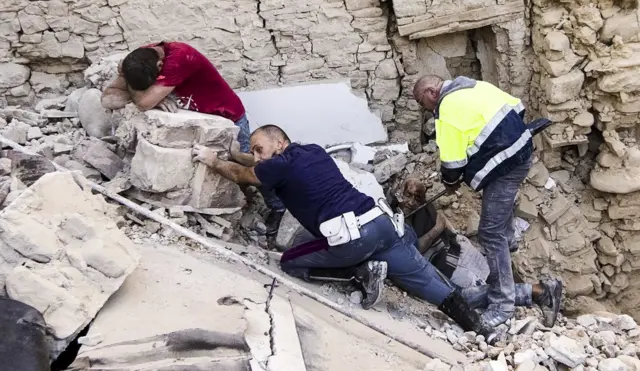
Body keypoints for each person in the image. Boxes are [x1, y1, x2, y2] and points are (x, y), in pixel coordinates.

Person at [191, 124, 493, 335]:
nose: (256, 156)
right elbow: (256, 165)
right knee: (426, 281)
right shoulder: (312, 151)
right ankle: (479, 328)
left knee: (290, 261)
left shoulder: (276, 165)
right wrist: (237, 153)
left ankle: (359, 273)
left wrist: (214, 160)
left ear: (280, 143)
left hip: (353, 238)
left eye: (259, 149)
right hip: (382, 223)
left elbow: (244, 174)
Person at [413, 75, 563, 329]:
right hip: (522, 151)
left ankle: (502, 304)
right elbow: (517, 107)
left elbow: (452, 164)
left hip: (505, 166)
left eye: (421, 102)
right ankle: (510, 247)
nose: (424, 108)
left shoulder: (446, 109)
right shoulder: (471, 85)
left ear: (430, 92)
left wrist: (450, 182)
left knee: (489, 233)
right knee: (498, 224)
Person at [100, 41, 285, 233]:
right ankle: (235, 210)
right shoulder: (138, 60)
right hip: (196, 124)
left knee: (255, 168)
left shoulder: (180, 58)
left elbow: (144, 102)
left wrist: (144, 95)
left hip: (228, 119)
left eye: (153, 84)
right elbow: (108, 99)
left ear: (160, 67)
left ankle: (277, 207)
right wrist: (138, 88)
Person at [393, 177, 562, 327]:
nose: (411, 202)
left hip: (456, 264)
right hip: (458, 255)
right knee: (489, 288)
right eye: (408, 196)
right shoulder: (407, 215)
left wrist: (438, 229)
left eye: (417, 198)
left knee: (461, 298)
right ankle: (536, 291)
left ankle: (538, 291)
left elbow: (414, 248)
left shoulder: (421, 214)